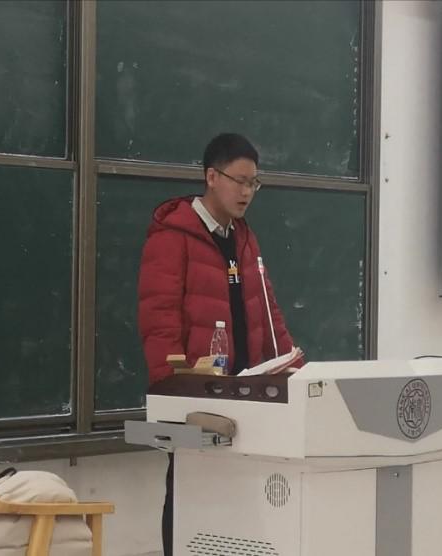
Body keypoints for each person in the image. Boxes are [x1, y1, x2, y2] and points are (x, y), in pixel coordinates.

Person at [137, 132, 302, 555]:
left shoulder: (244, 238)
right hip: (198, 396)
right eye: (239, 181)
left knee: (240, 505)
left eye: (254, 183)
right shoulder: (173, 235)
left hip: (246, 396)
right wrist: (172, 393)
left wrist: (296, 373)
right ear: (212, 177)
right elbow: (158, 318)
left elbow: (268, 311)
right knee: (190, 496)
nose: (247, 192)